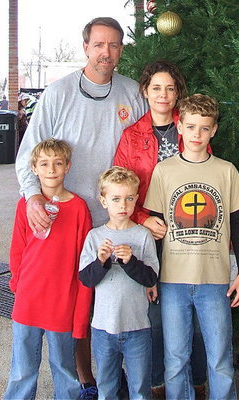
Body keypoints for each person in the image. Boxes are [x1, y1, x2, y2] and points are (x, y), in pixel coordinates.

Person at [15, 17, 148, 399]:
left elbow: (145, 149)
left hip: (116, 217)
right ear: (86, 47)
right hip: (68, 218)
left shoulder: (131, 94)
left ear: (122, 50)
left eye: (115, 45)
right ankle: (84, 377)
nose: (106, 52)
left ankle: (111, 375)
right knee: (75, 300)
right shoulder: (58, 94)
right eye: (99, 45)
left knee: (113, 299)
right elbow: (30, 154)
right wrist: (34, 197)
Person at [144, 94, 239, 400]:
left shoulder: (225, 170)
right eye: (191, 127)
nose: (197, 135)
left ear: (214, 130)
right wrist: (152, 276)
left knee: (219, 358)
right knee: (175, 360)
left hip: (214, 281)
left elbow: (237, 222)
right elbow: (155, 227)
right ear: (179, 126)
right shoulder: (164, 171)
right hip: (172, 281)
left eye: (204, 128)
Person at [113, 61, 207, 399]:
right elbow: (119, 187)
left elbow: (206, 181)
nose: (163, 95)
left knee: (193, 314)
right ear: (145, 91)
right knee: (151, 317)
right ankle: (156, 384)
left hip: (187, 234)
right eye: (156, 88)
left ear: (178, 92)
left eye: (170, 88)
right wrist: (140, 218)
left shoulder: (192, 129)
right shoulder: (132, 136)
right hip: (147, 236)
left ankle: (198, 382)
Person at [5, 139, 93, 400]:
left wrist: (79, 313)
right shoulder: (26, 206)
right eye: (44, 163)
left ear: (68, 166)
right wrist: (18, 286)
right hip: (28, 300)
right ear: (34, 168)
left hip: (62, 302)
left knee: (65, 369)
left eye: (57, 163)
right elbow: (17, 250)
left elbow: (84, 262)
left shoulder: (78, 209)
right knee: (22, 368)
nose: (51, 169)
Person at [79, 167, 159, 400]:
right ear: (104, 201)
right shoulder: (94, 237)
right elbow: (86, 279)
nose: (123, 205)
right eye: (115, 199)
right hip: (104, 328)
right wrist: (101, 261)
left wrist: (130, 261)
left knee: (140, 390)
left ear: (136, 199)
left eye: (129, 198)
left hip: (137, 327)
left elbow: (150, 277)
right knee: (107, 387)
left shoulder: (142, 235)